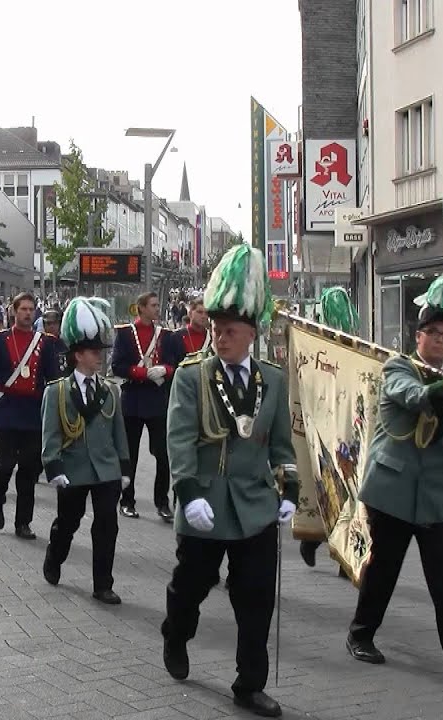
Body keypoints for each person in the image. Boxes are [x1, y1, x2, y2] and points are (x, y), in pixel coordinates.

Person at [160, 244, 298, 719]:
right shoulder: (192, 377)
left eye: (231, 330)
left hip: (255, 505)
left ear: (252, 333)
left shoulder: (273, 380)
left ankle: (249, 684)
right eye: (217, 329)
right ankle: (176, 632)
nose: (221, 337)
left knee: (255, 598)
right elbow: (178, 439)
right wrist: (189, 493)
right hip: (207, 500)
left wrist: (290, 490)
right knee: (191, 585)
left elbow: (281, 444)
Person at [346, 275, 443, 689]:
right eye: (432, 333)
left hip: (438, 495)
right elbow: (417, 398)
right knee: (383, 571)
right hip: (393, 491)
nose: (439, 340)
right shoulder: (398, 366)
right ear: (418, 336)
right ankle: (360, 634)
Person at [41, 297, 132, 605]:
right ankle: (55, 556)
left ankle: (103, 584)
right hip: (73, 467)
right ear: (78, 355)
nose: (99, 358)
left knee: (107, 524)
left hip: (106, 468)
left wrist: (125, 469)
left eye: (100, 353)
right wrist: (53, 467)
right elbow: (51, 432)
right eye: (94, 353)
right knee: (69, 521)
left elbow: (119, 430)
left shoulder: (109, 390)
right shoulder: (57, 391)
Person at [0, 292, 64, 538]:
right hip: (6, 408)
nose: (27, 313)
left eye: (31, 309)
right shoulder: (0, 340)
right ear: (14, 311)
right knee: (4, 463)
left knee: (28, 469)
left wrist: (59, 411)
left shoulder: (43, 343)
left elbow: (53, 378)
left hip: (33, 411)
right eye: (23, 309)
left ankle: (23, 522)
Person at [297, 286, 359, 568]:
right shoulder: (319, 340)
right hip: (327, 423)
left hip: (344, 425)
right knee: (331, 487)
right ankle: (315, 540)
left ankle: (340, 552)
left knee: (342, 489)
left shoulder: (354, 343)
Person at [112, 292, 183, 521]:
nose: (157, 309)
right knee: (129, 454)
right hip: (133, 398)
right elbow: (117, 366)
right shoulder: (124, 334)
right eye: (153, 305)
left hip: (157, 400)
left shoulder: (166, 336)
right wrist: (142, 373)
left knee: (163, 454)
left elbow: (174, 364)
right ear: (141, 308)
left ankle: (162, 502)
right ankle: (127, 500)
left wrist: (165, 370)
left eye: (157, 304)